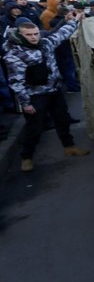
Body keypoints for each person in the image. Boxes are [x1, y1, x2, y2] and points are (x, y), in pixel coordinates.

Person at [2, 14, 89, 172]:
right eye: (29, 35)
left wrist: (74, 20)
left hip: (54, 90)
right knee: (34, 128)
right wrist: (26, 103)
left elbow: (62, 34)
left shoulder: (45, 43)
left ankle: (69, 147)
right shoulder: (15, 54)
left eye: (36, 33)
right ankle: (26, 157)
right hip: (35, 96)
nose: (34, 37)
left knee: (63, 120)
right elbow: (16, 82)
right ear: (20, 35)